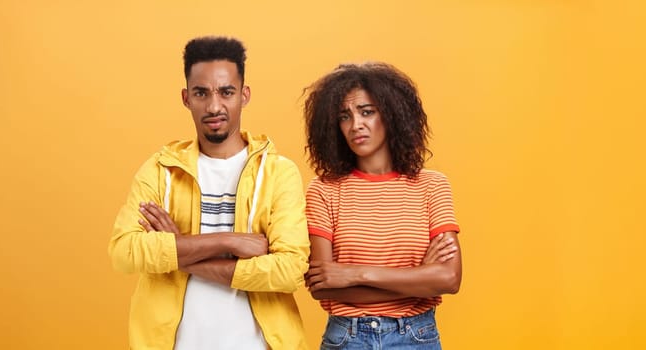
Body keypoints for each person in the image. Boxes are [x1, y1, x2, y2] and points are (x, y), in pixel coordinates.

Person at [108, 36, 310, 350]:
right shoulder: (161, 170)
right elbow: (125, 251)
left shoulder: (278, 173)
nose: (214, 106)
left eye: (226, 92)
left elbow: (289, 271)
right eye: (202, 93)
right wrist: (227, 240)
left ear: (244, 95)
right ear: (186, 98)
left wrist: (180, 251)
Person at [302, 62, 462, 349]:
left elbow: (449, 278)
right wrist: (418, 278)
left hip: (416, 337)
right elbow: (323, 286)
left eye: (367, 112)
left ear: (391, 114)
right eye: (344, 116)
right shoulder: (324, 190)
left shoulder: (432, 186)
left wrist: (354, 274)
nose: (356, 125)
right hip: (347, 339)